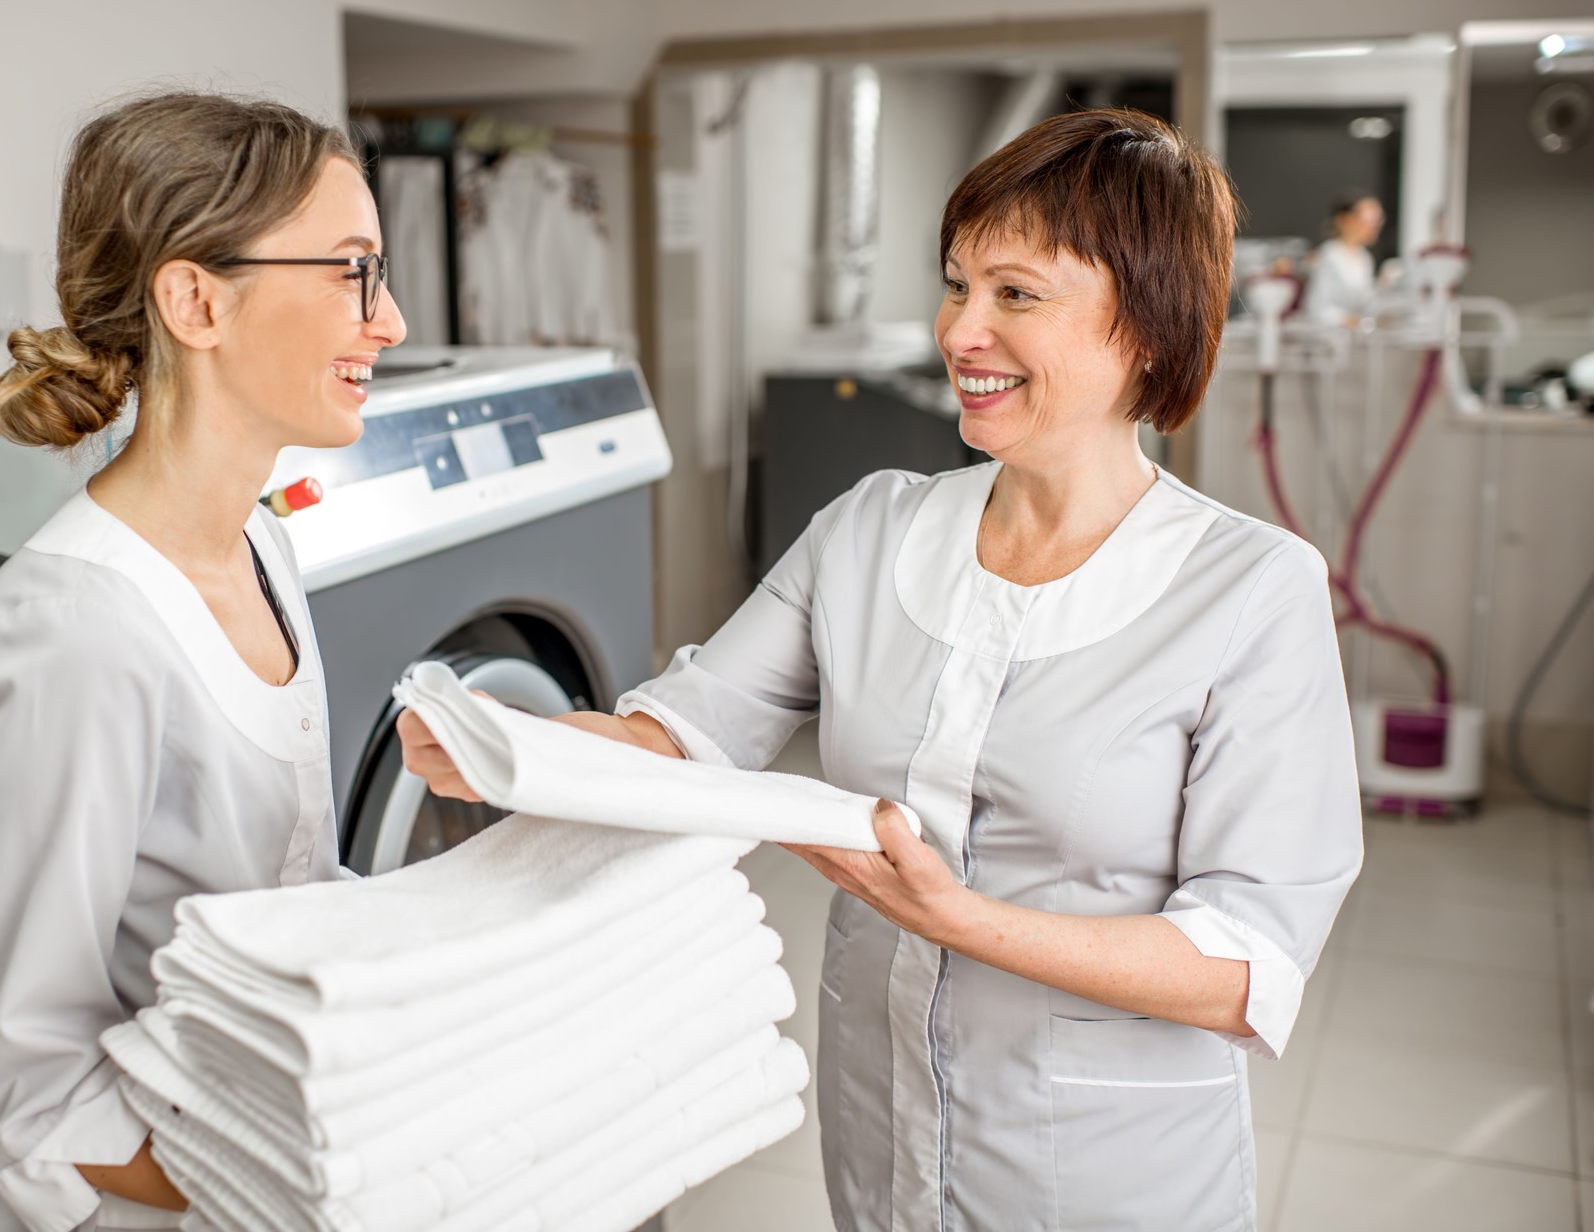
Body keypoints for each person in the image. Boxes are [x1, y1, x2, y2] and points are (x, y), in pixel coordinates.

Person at [400, 107, 1363, 1230]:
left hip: (1105, 1168)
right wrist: (501, 743)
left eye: (1017, 294)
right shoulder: (871, 530)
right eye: (957, 285)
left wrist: (958, 918)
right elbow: (683, 738)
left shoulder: (1250, 590)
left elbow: (1244, 963)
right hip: (882, 1123)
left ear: (1147, 328)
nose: (961, 331)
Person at [0, 91, 405, 1231]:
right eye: (353, 272)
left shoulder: (262, 546)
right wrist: (296, 1169)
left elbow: (290, 895)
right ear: (195, 299)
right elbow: (27, 1093)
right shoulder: (72, 636)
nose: (388, 322)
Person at [1304, 191, 1386, 326]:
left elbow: (1364, 302)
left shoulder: (1365, 257)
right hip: (1330, 337)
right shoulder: (1329, 254)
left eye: (1379, 219)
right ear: (1345, 220)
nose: (1375, 226)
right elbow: (1317, 308)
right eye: (1369, 219)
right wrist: (1348, 320)